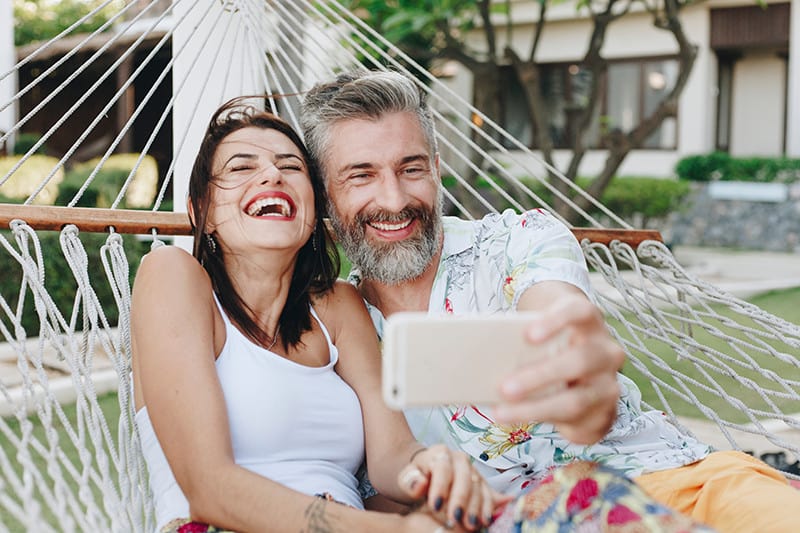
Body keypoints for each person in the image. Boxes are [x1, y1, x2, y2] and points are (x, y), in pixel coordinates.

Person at [299, 69, 800, 533]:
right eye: (360, 175)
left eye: (410, 168)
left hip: (667, 480)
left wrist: (583, 378)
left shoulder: (519, 241)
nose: (393, 199)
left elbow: (560, 312)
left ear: (435, 169)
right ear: (325, 196)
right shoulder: (335, 329)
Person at [130, 98, 505, 533]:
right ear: (203, 211)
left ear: (313, 209)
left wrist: (432, 465)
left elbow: (391, 457)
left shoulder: (339, 307)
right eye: (241, 167)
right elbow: (208, 487)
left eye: (291, 166)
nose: (272, 174)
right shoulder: (172, 276)